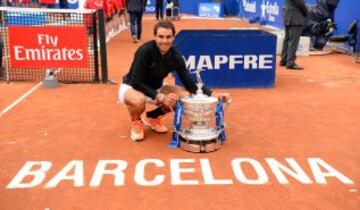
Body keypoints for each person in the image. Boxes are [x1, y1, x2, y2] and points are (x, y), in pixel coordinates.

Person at [119, 20, 230, 141]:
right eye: (161, 37)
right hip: (132, 87)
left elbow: (189, 83)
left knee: (185, 96)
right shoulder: (144, 51)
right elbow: (136, 81)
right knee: (139, 101)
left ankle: (152, 117)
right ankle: (136, 121)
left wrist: (212, 94)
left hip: (157, 88)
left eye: (168, 37)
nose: (165, 41)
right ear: (155, 37)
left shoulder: (176, 56)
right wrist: (161, 97)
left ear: (173, 37)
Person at [280, 0, 308, 70]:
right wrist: (306, 12)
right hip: (295, 18)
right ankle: (290, 62)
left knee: (287, 39)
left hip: (288, 15)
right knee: (293, 41)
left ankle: (284, 60)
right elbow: (301, 4)